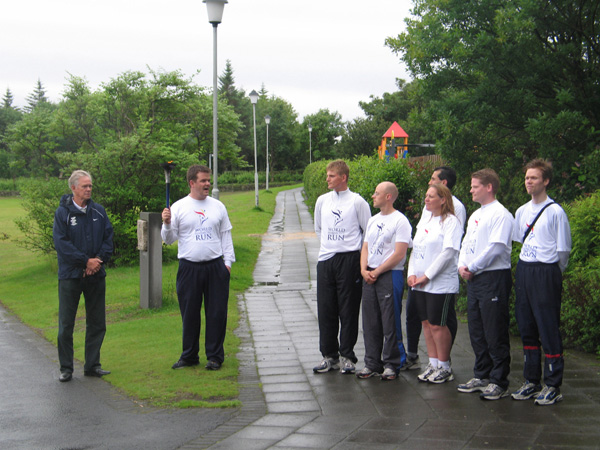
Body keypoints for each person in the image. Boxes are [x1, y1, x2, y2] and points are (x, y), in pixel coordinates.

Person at [161, 165, 235, 371]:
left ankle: (215, 357)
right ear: (192, 183)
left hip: (215, 267)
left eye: (209, 180)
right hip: (189, 268)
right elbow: (168, 240)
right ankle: (189, 356)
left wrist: (227, 264)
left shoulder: (218, 206)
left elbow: (226, 236)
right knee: (190, 314)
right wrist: (166, 224)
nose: (208, 184)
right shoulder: (178, 207)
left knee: (217, 313)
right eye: (203, 180)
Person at [511, 159, 571, 405]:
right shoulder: (521, 211)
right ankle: (531, 380)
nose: (529, 182)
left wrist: (552, 272)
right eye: (527, 178)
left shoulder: (555, 212)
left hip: (546, 271)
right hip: (525, 269)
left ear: (545, 181)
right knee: (526, 326)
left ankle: (553, 384)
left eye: (534, 178)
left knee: (547, 327)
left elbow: (563, 250)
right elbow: (521, 241)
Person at [457, 168, 514, 400]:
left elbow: (496, 247)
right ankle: (482, 374)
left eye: (475, 186)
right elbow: (466, 243)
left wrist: (472, 267)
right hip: (475, 278)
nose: (471, 190)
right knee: (476, 328)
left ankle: (499, 381)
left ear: (489, 187)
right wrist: (462, 265)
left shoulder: (501, 214)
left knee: (494, 329)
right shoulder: (475, 215)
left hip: (493, 277)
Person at [53, 170, 114, 382]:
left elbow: (108, 238)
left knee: (97, 322)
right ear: (73, 188)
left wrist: (97, 261)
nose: (88, 189)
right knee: (66, 324)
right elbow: (62, 244)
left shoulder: (98, 211)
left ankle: (92, 365)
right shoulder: (63, 213)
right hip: (70, 276)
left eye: (90, 186)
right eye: (84, 186)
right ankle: (66, 368)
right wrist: (85, 261)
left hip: (95, 274)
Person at [404, 166, 466, 370]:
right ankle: (432, 364)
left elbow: (448, 252)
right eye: (426, 196)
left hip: (439, 283)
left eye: (431, 196)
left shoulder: (451, 221)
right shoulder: (427, 220)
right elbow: (416, 248)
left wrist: (427, 275)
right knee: (426, 324)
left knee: (438, 325)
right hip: (420, 283)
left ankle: (444, 366)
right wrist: (412, 273)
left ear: (443, 199)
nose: (426, 199)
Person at [313, 160, 371, 374]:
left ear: (343, 177)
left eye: (331, 176)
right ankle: (329, 356)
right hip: (326, 260)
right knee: (326, 309)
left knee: (348, 309)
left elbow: (367, 231)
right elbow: (319, 228)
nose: (327, 179)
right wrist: (330, 247)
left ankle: (347, 356)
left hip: (349, 260)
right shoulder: (322, 201)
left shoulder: (357, 202)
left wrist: (357, 256)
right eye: (327, 175)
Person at [356, 182, 411, 381]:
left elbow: (399, 253)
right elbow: (365, 247)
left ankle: (392, 363)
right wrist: (364, 270)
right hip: (370, 275)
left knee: (390, 320)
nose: (373, 196)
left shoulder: (400, 221)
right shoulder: (373, 220)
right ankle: (372, 363)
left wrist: (378, 271)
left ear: (388, 196)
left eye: (377, 193)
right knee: (370, 321)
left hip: (390, 274)